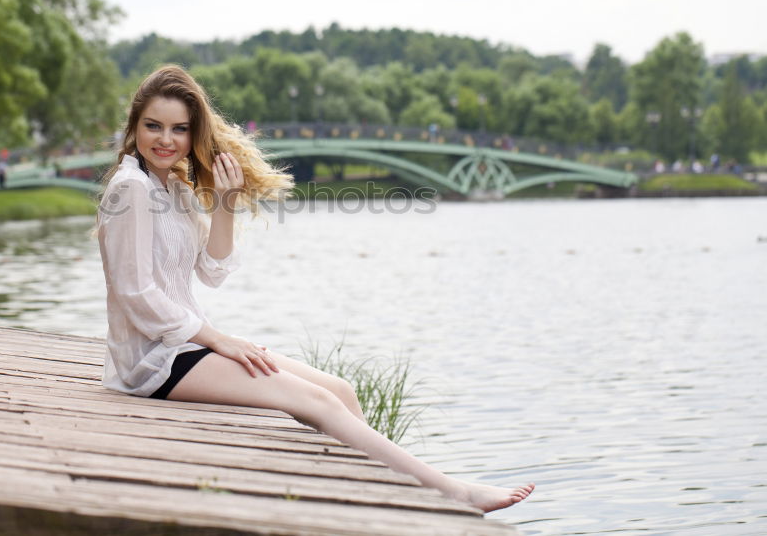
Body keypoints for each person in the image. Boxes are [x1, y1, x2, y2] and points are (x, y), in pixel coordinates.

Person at [94, 65, 534, 513]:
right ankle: (449, 492)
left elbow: (212, 270)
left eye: (179, 129)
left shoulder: (174, 189)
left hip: (185, 344)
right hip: (151, 360)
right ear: (134, 128)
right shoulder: (130, 188)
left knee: (340, 390)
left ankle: (377, 499)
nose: (165, 139)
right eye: (153, 126)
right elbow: (137, 294)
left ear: (193, 135)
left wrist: (225, 202)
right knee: (314, 400)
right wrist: (218, 340)